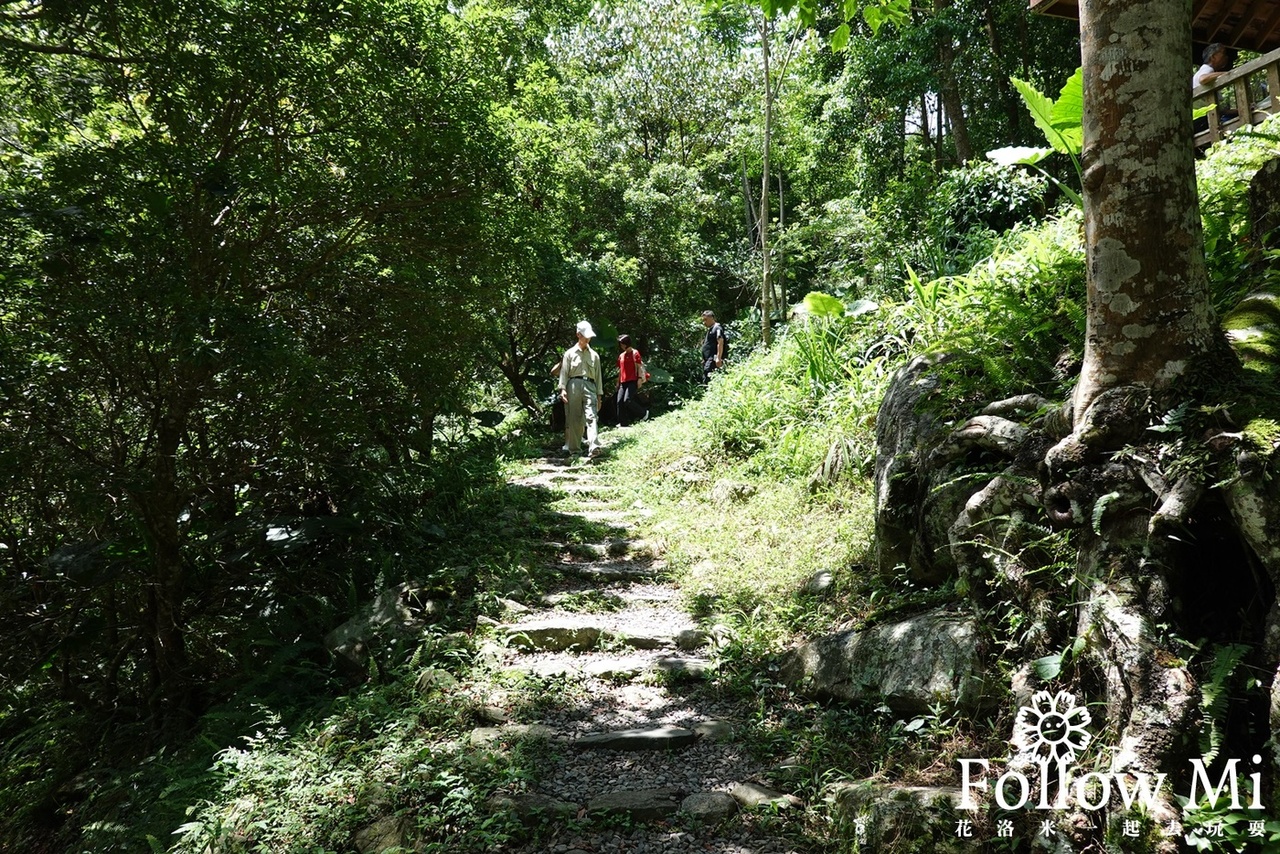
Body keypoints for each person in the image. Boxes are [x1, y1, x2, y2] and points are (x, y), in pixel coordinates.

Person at [558, 320, 603, 456]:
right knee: (574, 418)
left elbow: (598, 376)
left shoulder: (594, 355)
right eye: (585, 336)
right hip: (573, 386)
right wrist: (563, 389)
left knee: (592, 416)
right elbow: (564, 372)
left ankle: (594, 446)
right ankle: (574, 450)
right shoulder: (569, 354)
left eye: (589, 336)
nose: (588, 339)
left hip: (590, 385)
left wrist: (599, 395)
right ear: (578, 335)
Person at [615, 334, 648, 427]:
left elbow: (639, 366)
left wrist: (640, 379)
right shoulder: (621, 356)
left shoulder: (635, 353)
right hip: (623, 381)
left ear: (626, 344)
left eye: (622, 344)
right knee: (619, 401)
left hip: (633, 379)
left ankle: (643, 413)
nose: (621, 346)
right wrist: (618, 381)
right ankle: (623, 423)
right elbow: (620, 370)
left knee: (627, 400)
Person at [700, 309, 727, 383]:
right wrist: (704, 358)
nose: (704, 322)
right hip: (708, 359)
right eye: (703, 320)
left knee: (708, 376)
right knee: (706, 376)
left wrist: (718, 358)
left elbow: (720, 342)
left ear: (712, 318)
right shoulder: (711, 329)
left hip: (713, 358)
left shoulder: (717, 328)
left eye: (705, 320)